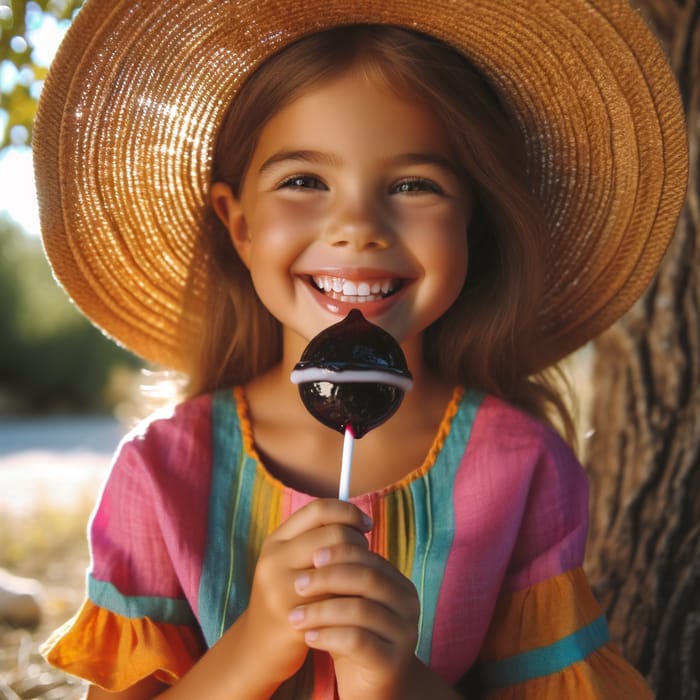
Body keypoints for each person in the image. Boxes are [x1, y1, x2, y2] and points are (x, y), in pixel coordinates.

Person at [33, 0, 688, 698]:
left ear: (475, 221)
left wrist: (395, 680)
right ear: (241, 223)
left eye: (414, 185)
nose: (357, 227)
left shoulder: (523, 466)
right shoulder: (162, 473)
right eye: (304, 181)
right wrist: (255, 648)